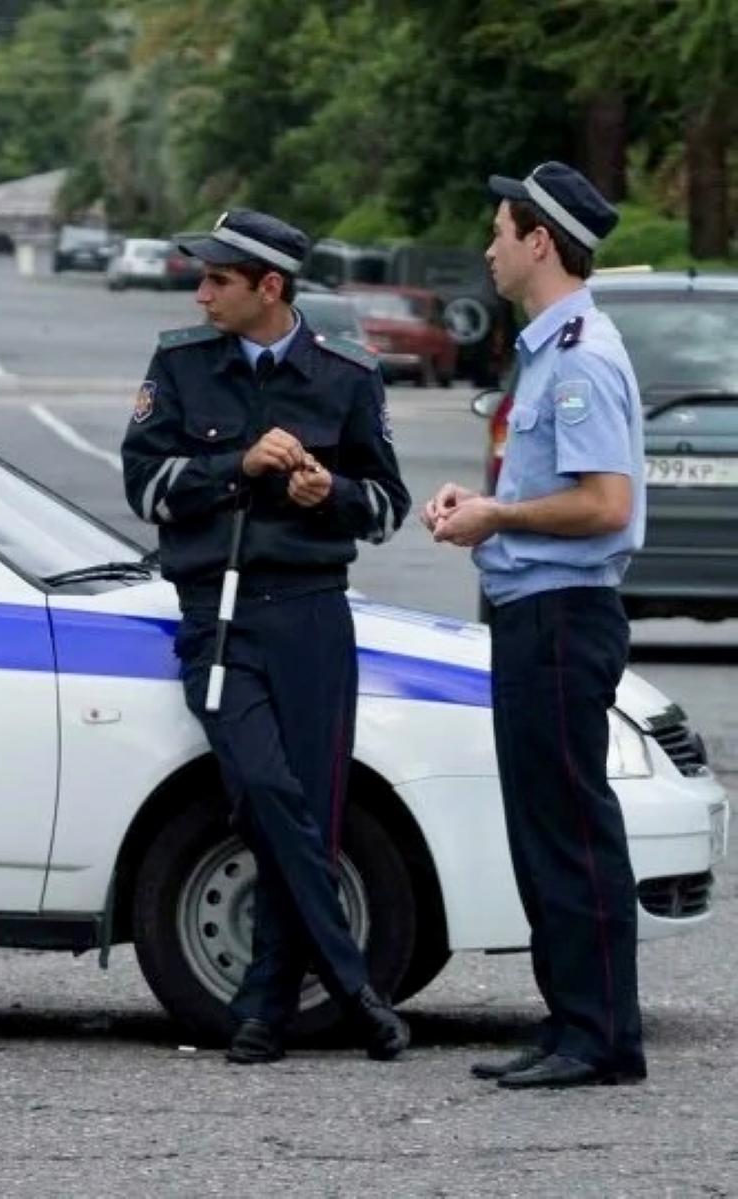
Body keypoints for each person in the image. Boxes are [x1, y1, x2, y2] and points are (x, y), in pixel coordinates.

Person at [124, 209, 412, 1064]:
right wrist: (236, 465)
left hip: (313, 612)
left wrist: (334, 494)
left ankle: (263, 1006)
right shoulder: (180, 363)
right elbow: (144, 487)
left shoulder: (345, 375)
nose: (202, 291)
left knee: (311, 810)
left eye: (219, 279)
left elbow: (389, 504)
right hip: (219, 613)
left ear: (270, 289)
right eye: (202, 277)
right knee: (261, 784)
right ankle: (356, 984)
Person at [422, 162, 647, 1090]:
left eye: (501, 232)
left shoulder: (583, 354)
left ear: (540, 241)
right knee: (540, 825)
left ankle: (601, 1037)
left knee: (569, 827)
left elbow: (602, 505)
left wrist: (496, 519)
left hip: (562, 615)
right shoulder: (548, 349)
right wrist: (483, 506)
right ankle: (570, 1025)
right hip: (533, 612)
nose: (489, 248)